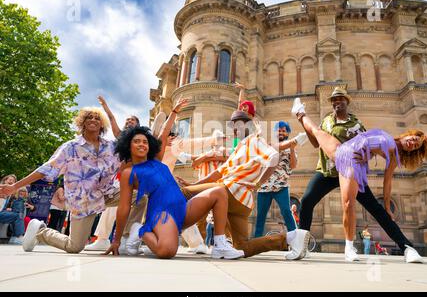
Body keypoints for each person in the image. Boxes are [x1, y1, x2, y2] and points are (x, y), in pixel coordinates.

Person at [292, 93, 427, 262]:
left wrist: (387, 205)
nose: (411, 143)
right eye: (413, 139)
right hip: (329, 170)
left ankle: (407, 247)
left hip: (351, 168)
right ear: (408, 134)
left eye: (415, 146)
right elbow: (318, 142)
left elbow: (387, 181)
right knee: (307, 201)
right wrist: (367, 154)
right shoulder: (329, 120)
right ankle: (303, 247)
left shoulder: (359, 125)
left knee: (377, 210)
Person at [177, 110, 310, 260]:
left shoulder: (255, 140)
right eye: (233, 125)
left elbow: (274, 156)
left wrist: (258, 183)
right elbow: (218, 173)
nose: (235, 128)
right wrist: (195, 183)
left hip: (231, 190)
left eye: (238, 124)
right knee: (242, 246)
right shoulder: (239, 148)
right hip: (242, 202)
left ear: (247, 125)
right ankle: (291, 238)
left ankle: (164, 228)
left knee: (184, 193)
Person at [104, 123, 244, 259]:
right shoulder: (129, 173)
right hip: (162, 214)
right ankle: (141, 230)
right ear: (128, 146)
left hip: (183, 209)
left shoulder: (157, 160)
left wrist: (174, 112)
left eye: (145, 142)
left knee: (219, 191)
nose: (142, 144)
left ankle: (220, 245)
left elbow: (163, 134)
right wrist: (116, 240)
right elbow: (124, 207)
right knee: (167, 251)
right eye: (136, 141)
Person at [0, 106, 121, 254]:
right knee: (74, 247)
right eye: (89, 117)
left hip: (107, 193)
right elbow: (45, 169)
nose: (93, 120)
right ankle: (41, 231)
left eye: (97, 118)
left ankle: (129, 239)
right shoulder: (70, 147)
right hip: (83, 202)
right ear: (82, 122)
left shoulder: (110, 146)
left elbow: (129, 158)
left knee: (140, 197)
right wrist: (15, 187)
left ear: (102, 124)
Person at [84, 96, 148, 252]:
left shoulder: (143, 141)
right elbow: (112, 119)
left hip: (136, 180)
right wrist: (105, 106)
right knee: (110, 209)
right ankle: (102, 239)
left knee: (140, 203)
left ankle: (127, 238)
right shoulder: (120, 137)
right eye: (127, 120)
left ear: (138, 125)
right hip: (117, 180)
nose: (128, 122)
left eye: (132, 120)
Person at [254, 121, 306, 237]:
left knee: (287, 212)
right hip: (264, 187)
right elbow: (276, 147)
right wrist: (293, 142)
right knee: (260, 216)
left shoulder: (290, 148)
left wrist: (292, 148)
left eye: (284, 130)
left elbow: (293, 165)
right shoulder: (270, 144)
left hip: (281, 186)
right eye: (279, 130)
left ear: (287, 133)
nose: (281, 132)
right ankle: (256, 241)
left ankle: (295, 240)